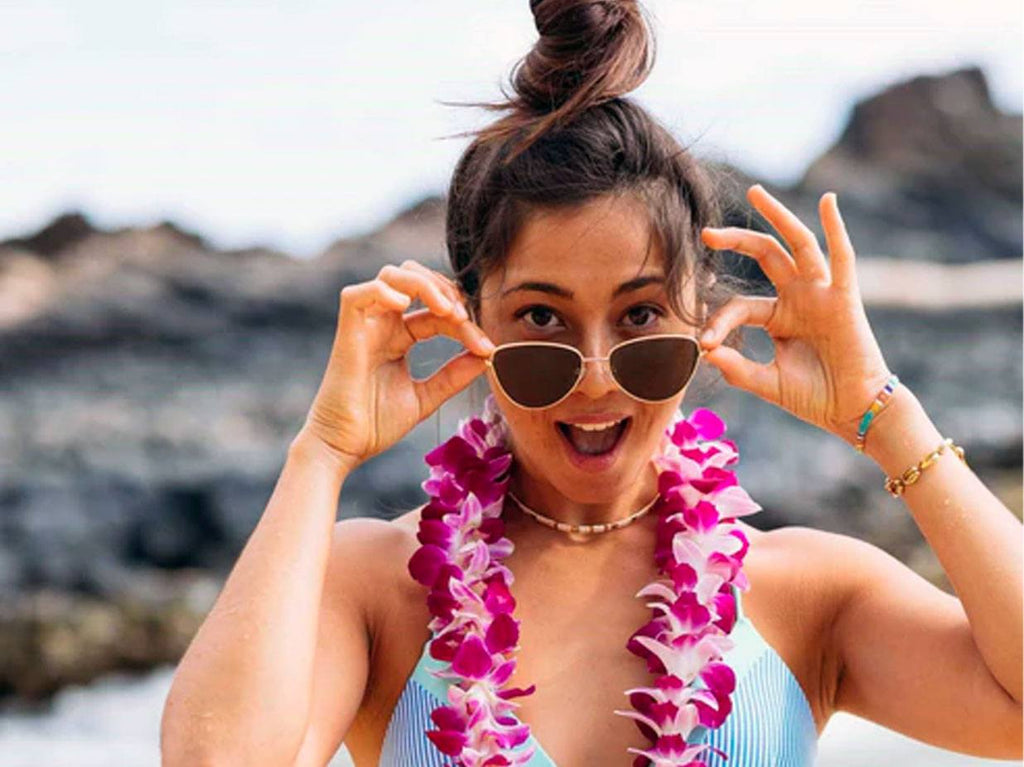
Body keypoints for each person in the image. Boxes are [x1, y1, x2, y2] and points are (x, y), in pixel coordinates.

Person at [160, 1, 1023, 765]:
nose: (599, 375)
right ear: (470, 323)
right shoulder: (376, 589)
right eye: (541, 319)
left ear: (701, 318)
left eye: (642, 317)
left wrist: (886, 413)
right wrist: (323, 451)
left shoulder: (807, 594)